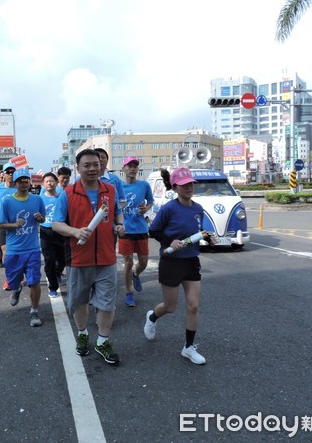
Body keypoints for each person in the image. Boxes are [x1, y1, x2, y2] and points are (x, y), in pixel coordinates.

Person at [52, 149, 125, 365]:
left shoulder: (110, 190)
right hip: (78, 258)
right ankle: (83, 334)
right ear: (78, 168)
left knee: (106, 303)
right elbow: (56, 223)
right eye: (87, 165)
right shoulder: (68, 193)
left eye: (96, 164)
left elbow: (118, 211)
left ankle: (102, 341)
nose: (92, 168)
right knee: (80, 301)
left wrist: (120, 224)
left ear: (101, 166)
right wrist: (75, 231)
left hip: (106, 257)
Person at [144, 167, 215, 365]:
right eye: (184, 185)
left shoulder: (198, 208)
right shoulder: (168, 208)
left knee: (193, 306)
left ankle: (188, 347)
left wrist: (209, 239)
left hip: (191, 261)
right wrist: (170, 240)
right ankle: (152, 317)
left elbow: (200, 231)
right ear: (175, 187)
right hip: (171, 261)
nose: (189, 187)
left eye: (191, 184)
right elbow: (154, 230)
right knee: (170, 307)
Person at [0, 168, 46, 327]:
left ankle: (34, 311)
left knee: (34, 282)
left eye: (26, 180)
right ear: (15, 183)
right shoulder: (7, 201)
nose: (24, 183)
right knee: (13, 281)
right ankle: (16, 288)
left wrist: (40, 218)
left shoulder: (37, 200)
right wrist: (15, 224)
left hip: (32, 249)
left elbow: (43, 218)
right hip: (14, 250)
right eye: (21, 181)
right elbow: (1, 224)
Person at [119, 155, 154, 307]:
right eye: (129, 166)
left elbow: (151, 201)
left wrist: (145, 209)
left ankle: (136, 274)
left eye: (135, 166)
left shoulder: (144, 185)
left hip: (141, 228)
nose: (132, 168)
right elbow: (114, 207)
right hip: (125, 230)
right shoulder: (118, 186)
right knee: (128, 262)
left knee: (144, 262)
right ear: (123, 168)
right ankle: (128, 293)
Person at [39, 172, 66, 298]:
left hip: (60, 231)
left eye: (51, 181)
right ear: (43, 184)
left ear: (56, 182)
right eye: (47, 181)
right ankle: (53, 287)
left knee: (63, 260)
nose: (49, 183)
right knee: (49, 260)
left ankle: (58, 271)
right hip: (46, 232)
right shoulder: (40, 199)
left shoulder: (62, 196)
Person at [0, 162, 16, 273]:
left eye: (12, 172)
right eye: (8, 172)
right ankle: (9, 276)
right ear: (3, 175)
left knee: (16, 252)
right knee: (4, 250)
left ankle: (18, 274)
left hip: (16, 224)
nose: (10, 174)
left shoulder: (19, 187)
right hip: (3, 223)